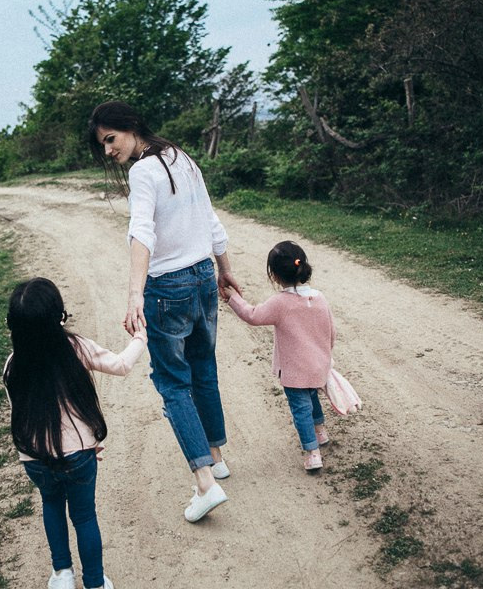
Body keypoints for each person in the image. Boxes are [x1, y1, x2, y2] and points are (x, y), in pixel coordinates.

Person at [87, 100, 241, 523]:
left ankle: (205, 483)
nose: (108, 151)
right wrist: (224, 269)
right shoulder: (180, 157)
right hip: (202, 277)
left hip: (168, 288)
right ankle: (216, 456)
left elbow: (142, 231)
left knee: (173, 382)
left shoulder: (143, 171)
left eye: (110, 139)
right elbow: (211, 221)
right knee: (203, 368)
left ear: (131, 126)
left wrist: (135, 294)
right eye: (103, 145)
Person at [3, 277, 147, 589]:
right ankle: (94, 582)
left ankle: (62, 574)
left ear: (13, 326)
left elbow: (20, 413)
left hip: (35, 459)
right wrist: (140, 337)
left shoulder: (13, 365)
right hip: (79, 455)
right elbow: (121, 365)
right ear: (59, 317)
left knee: (51, 505)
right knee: (84, 517)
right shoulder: (76, 348)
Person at [223, 240, 336, 472]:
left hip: (295, 371)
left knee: (301, 408)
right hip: (318, 365)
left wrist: (233, 298)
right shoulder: (320, 298)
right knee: (312, 397)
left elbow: (253, 315)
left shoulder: (280, 302)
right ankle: (320, 432)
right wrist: (326, 356)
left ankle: (312, 452)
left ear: (274, 276)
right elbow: (331, 331)